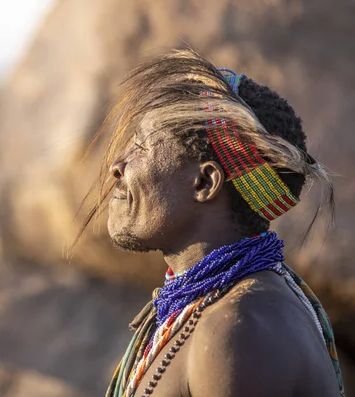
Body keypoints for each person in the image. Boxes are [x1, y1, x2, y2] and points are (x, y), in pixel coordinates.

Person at [82, 50, 344, 396]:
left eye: (141, 147)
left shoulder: (239, 331)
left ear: (205, 183)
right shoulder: (223, 312)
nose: (118, 165)